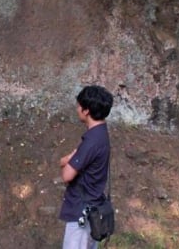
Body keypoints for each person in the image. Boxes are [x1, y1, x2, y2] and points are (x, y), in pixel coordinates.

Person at [59, 85, 113, 249]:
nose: (77, 109)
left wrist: (67, 159)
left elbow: (66, 175)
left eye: (79, 106)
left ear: (86, 110)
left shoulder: (91, 141)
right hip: (92, 209)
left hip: (82, 213)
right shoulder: (102, 134)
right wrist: (68, 159)